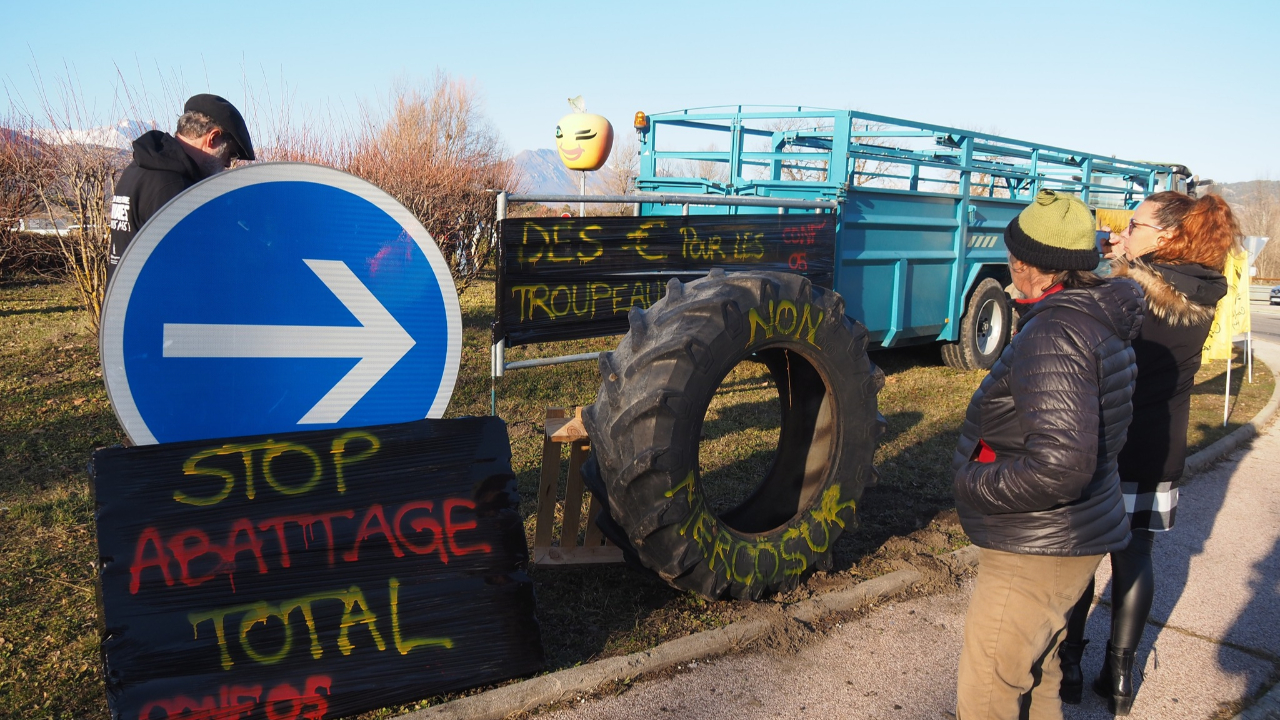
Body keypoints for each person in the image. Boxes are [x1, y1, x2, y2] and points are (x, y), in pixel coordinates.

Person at [953, 189, 1144, 720]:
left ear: (1028, 263)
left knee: (989, 693)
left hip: (1036, 546)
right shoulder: (1096, 318)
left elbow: (1061, 464)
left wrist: (973, 482)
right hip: (1074, 534)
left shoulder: (1056, 333)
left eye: (1014, 252)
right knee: (1038, 679)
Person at [1056, 192, 1237, 715]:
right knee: (1136, 556)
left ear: (1167, 236)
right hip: (1160, 447)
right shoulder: (1206, 289)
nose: (1122, 232)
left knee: (1081, 560)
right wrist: (1127, 257)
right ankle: (1120, 677)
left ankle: (1069, 665)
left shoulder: (1127, 291)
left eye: (1133, 225)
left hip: (1106, 443)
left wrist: (1114, 264)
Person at [107, 94, 254, 281]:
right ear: (213, 138)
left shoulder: (138, 169)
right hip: (156, 307)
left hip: (126, 302)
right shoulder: (173, 188)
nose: (227, 164)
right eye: (230, 154)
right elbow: (188, 270)